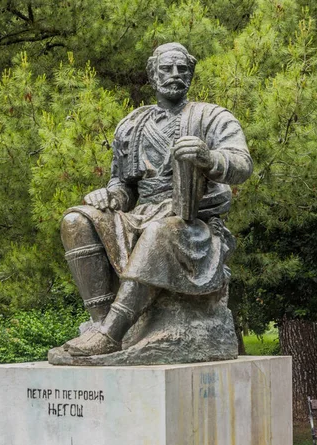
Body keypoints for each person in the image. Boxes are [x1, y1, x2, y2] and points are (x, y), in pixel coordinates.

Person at [60, 42, 253, 357]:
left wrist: (209, 158)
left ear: (190, 73)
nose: (175, 75)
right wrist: (109, 195)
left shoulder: (212, 116)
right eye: (167, 68)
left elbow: (242, 164)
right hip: (142, 212)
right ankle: (102, 326)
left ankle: (113, 331)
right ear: (152, 74)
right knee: (75, 221)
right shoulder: (132, 124)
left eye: (182, 69)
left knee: (159, 232)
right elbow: (123, 186)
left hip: (194, 223)